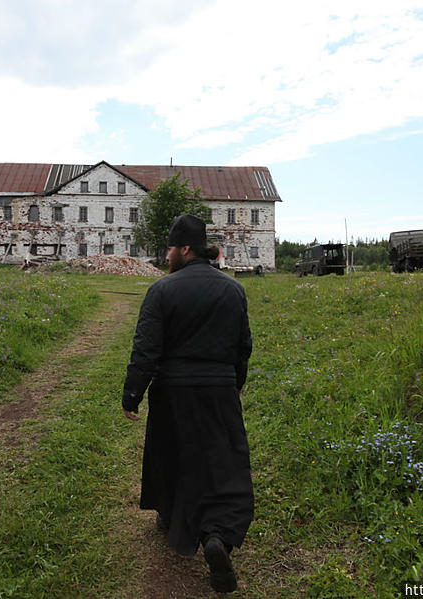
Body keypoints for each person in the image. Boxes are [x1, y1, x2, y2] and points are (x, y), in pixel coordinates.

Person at [122, 214, 254, 593]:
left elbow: (146, 349)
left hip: (173, 391)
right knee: (222, 460)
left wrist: (133, 393)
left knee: (173, 455)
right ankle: (217, 535)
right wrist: (234, 385)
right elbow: (243, 346)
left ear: (184, 249)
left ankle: (171, 516)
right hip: (219, 389)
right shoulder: (233, 290)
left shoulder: (162, 290)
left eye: (169, 248)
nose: (166, 256)